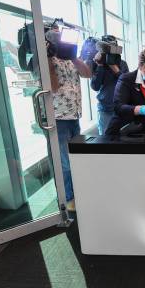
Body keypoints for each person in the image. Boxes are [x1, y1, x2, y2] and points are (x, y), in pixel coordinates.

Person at [46, 28, 92, 211]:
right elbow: (53, 87)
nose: (61, 42)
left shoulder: (71, 59)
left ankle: (74, 192)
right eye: (57, 39)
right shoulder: (47, 60)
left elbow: (88, 74)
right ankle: (67, 199)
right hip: (58, 117)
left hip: (74, 115)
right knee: (64, 162)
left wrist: (73, 56)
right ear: (49, 42)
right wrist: (49, 59)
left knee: (73, 158)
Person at [89, 35, 129, 134]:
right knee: (105, 140)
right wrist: (100, 66)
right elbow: (95, 86)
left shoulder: (122, 64)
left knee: (122, 139)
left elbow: (126, 84)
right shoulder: (98, 63)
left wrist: (113, 66)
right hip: (105, 109)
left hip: (121, 108)